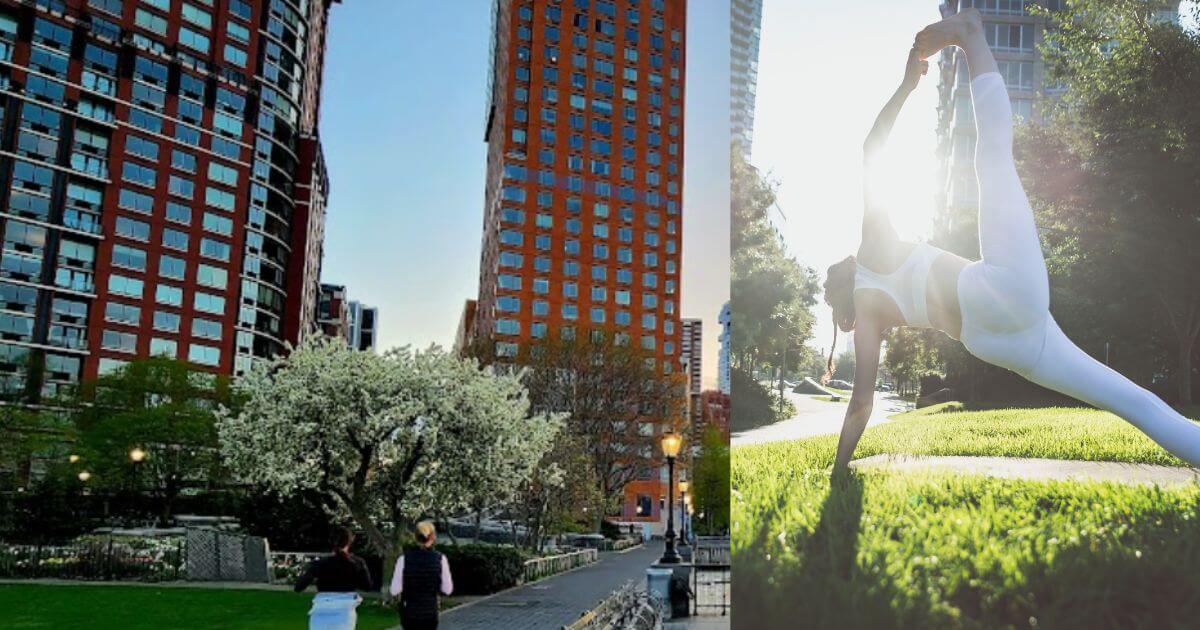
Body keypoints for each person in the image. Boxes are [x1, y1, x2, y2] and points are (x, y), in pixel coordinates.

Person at [825, 8, 1200, 473]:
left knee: (1134, 403)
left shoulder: (866, 317)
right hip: (997, 295)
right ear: (845, 267)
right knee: (992, 160)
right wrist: (907, 87)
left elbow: (861, 402)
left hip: (998, 345)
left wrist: (838, 469)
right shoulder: (873, 250)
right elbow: (871, 150)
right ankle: (971, 37)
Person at [294, 527, 373, 630]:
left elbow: (299, 587)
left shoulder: (320, 563)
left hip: (321, 610)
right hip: (345, 612)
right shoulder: (357, 563)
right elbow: (367, 586)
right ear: (350, 541)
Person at [389, 521, 453, 629]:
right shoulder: (440, 559)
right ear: (433, 537)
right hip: (430, 610)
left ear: (415, 537)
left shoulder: (404, 559)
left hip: (410, 611)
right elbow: (447, 589)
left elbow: (394, 590)